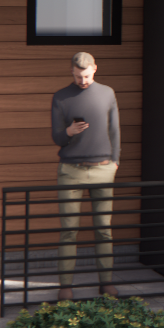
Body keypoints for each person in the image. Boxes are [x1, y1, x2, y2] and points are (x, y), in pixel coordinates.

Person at [50, 51, 119, 296]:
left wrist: (115, 162)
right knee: (69, 230)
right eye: (79, 76)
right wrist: (68, 132)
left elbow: (114, 130)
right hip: (70, 171)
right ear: (72, 72)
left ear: (95, 69)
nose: (83, 81)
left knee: (103, 228)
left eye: (87, 76)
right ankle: (65, 287)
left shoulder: (108, 93)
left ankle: (106, 282)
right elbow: (57, 137)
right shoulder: (61, 97)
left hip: (103, 169)